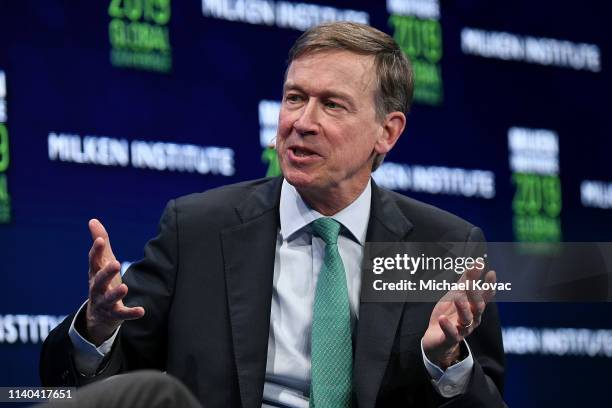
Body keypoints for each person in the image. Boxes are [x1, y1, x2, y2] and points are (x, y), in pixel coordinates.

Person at [40, 22, 505, 407]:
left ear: (387, 132)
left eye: (332, 104)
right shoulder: (198, 227)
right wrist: (98, 329)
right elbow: (98, 384)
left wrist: (446, 364)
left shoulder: (442, 246)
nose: (302, 122)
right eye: (295, 98)